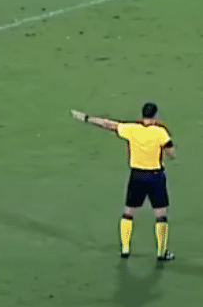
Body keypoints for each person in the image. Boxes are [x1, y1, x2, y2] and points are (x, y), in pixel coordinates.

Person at [71, 103, 175, 261]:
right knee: (161, 215)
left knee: (128, 212)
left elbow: (107, 124)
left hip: (137, 176)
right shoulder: (160, 132)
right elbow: (171, 153)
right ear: (155, 116)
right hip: (155, 177)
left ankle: (125, 248)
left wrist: (87, 118)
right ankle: (161, 252)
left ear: (142, 115)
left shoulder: (131, 129)